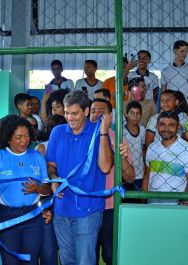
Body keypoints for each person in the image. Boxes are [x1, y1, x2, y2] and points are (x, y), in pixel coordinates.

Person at [46, 90, 113, 265]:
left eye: (74, 113)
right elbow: (51, 165)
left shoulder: (98, 133)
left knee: (85, 261)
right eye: (67, 113)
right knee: (67, 260)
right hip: (61, 208)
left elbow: (106, 167)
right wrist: (53, 180)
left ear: (85, 111)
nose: (70, 118)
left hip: (88, 210)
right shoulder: (57, 132)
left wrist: (104, 134)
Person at [0, 115, 51, 265]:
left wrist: (37, 188)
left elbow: (47, 190)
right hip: (7, 217)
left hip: (33, 217)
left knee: (30, 262)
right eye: (18, 137)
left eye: (27, 136)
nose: (24, 140)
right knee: (10, 262)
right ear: (8, 138)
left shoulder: (37, 156)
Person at [88, 98, 134, 265]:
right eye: (93, 111)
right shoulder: (81, 137)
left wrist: (119, 158)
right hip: (87, 205)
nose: (96, 115)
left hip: (109, 205)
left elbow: (130, 177)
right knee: (88, 254)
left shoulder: (118, 139)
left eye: (101, 111)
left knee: (109, 253)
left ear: (110, 115)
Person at [143, 111, 188, 205]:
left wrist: (182, 202)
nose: (166, 128)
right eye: (162, 124)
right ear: (157, 126)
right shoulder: (152, 148)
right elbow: (147, 176)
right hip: (152, 204)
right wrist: (143, 202)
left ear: (178, 127)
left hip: (175, 206)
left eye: (171, 125)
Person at [35, 115, 67, 265]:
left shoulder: (69, 145)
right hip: (46, 198)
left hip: (64, 196)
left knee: (64, 244)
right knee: (48, 247)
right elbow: (37, 177)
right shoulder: (42, 147)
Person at [161, 40, 188, 121]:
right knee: (172, 131)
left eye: (186, 51)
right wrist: (161, 108)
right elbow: (163, 92)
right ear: (175, 51)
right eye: (182, 51)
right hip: (171, 111)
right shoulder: (165, 71)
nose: (185, 54)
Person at [123, 101, 146, 191]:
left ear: (141, 115)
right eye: (132, 113)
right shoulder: (121, 130)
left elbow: (144, 148)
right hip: (125, 172)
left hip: (139, 173)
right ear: (126, 114)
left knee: (136, 201)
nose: (135, 116)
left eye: (137, 113)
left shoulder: (143, 130)